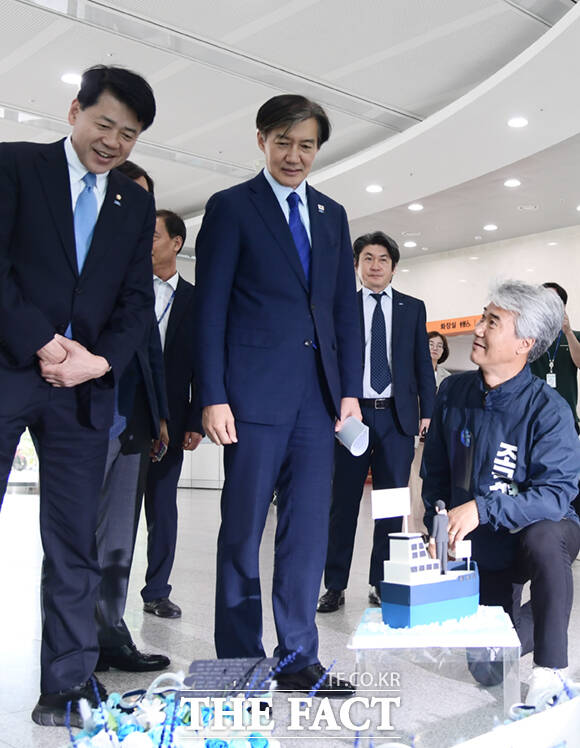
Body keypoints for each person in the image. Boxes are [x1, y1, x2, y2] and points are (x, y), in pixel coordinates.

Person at [0, 65, 156, 726]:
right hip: (9, 368)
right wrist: (43, 342)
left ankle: (66, 685)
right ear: (74, 111)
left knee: (74, 545)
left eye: (128, 134)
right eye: (104, 124)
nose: (113, 142)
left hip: (81, 395)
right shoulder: (14, 167)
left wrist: (96, 363)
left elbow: (135, 301)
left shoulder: (133, 201)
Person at [194, 94, 362, 696]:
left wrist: (349, 394)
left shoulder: (332, 213)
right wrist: (211, 394)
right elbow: (209, 308)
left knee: (307, 534)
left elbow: (344, 310)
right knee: (241, 533)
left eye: (308, 145)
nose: (296, 155)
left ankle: (298, 659)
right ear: (262, 139)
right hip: (252, 401)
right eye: (284, 142)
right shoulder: (232, 207)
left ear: (319, 149)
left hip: (318, 406)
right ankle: (239, 665)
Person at [422, 280, 580, 706]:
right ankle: (543, 612)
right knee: (488, 668)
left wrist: (482, 507)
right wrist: (439, 525)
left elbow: (556, 493)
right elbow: (435, 474)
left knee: (546, 536)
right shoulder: (452, 392)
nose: (478, 328)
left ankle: (551, 668)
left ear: (523, 343)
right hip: (484, 546)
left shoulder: (549, 409)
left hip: (539, 530)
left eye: (493, 322)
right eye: (483, 316)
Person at [317, 231, 435, 613]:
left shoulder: (412, 308)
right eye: (367, 258)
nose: (375, 266)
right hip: (353, 416)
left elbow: (422, 364)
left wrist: (428, 411)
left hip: (397, 420)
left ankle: (380, 582)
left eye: (382, 259)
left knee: (389, 506)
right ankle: (333, 585)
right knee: (343, 505)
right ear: (356, 266)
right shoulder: (342, 306)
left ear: (394, 267)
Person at [94, 161, 171, 673]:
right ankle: (70, 646)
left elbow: (150, 352)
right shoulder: (79, 262)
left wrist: (161, 416)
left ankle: (110, 636)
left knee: (119, 537)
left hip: (133, 420)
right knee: (72, 537)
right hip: (81, 415)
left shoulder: (139, 280)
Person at [141, 209, 203, 619]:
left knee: (163, 508)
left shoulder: (196, 300)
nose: (146, 242)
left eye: (154, 235)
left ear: (176, 244)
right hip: (128, 415)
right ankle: (102, 597)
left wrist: (197, 419)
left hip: (175, 420)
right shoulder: (129, 291)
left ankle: (157, 591)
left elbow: (205, 362)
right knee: (118, 513)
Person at [408, 331, 451, 534]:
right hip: (417, 436)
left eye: (439, 345)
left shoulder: (447, 378)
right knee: (415, 485)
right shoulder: (411, 374)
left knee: (434, 483)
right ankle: (417, 531)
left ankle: (431, 529)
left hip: (439, 437)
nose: (435, 348)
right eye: (431, 344)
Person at [530, 282, 580, 432]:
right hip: (533, 415)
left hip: (566, 417)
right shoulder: (528, 337)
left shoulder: (575, 336)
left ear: (563, 307)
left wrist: (568, 332)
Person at [429, 500, 448, 574]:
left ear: (437, 508)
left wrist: (432, 537)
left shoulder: (436, 518)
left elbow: (435, 529)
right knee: (444, 555)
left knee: (438, 555)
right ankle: (445, 569)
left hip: (439, 538)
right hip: (445, 537)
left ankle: (439, 569)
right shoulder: (446, 517)